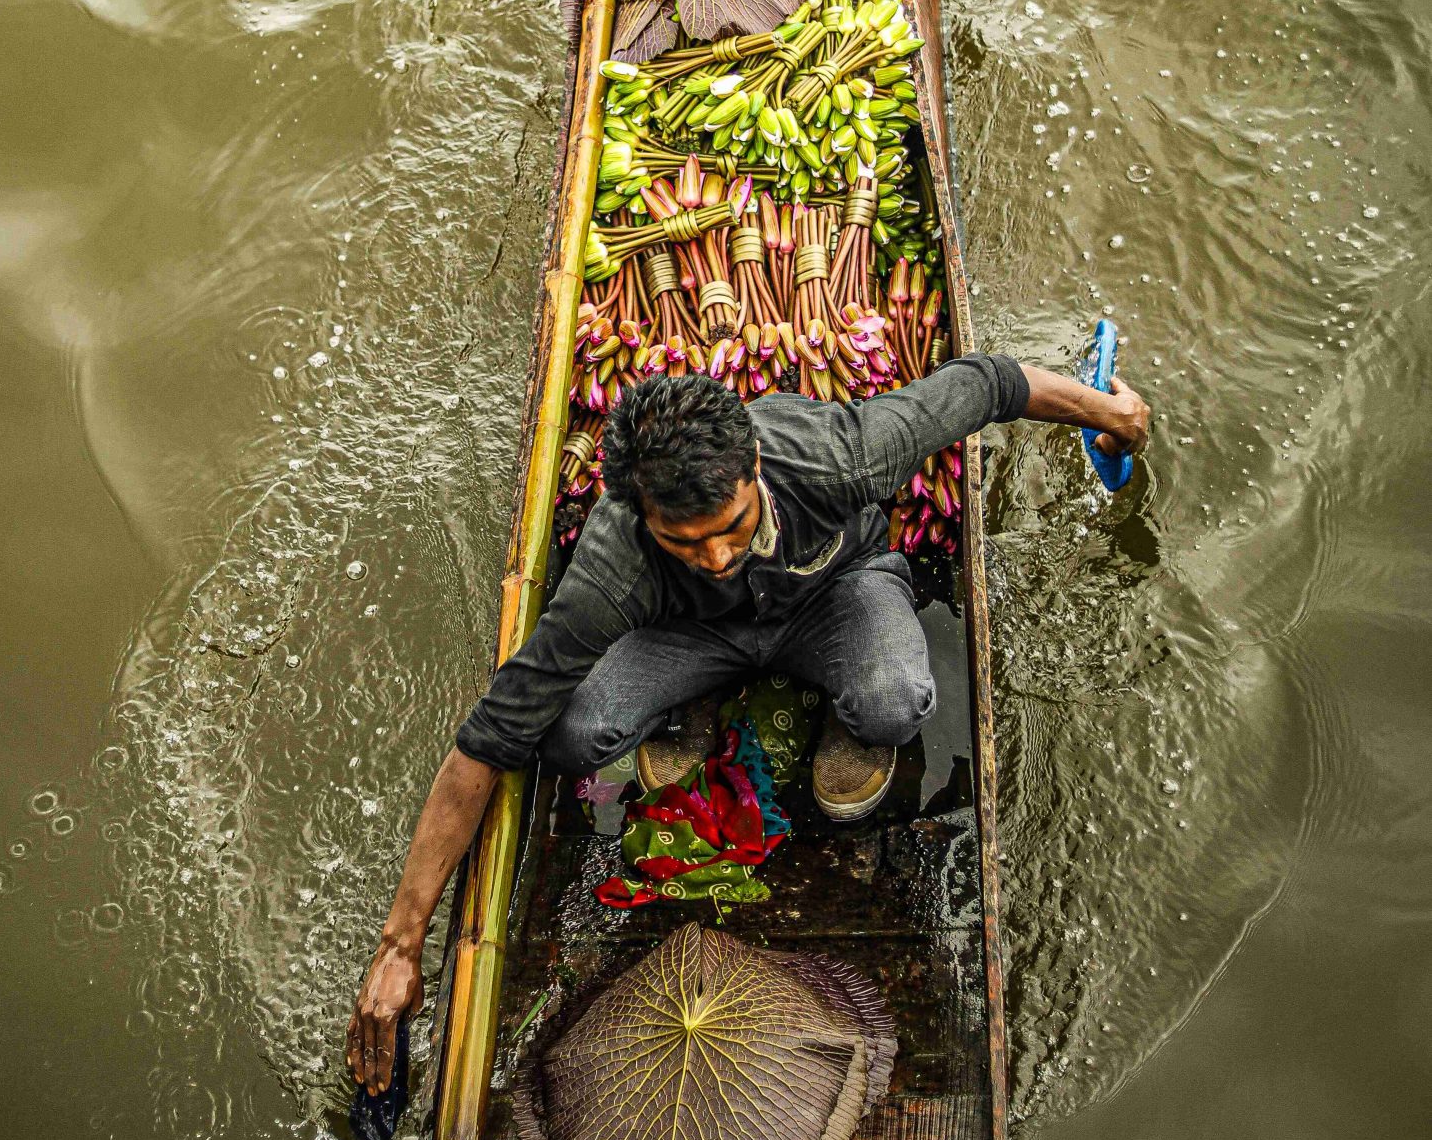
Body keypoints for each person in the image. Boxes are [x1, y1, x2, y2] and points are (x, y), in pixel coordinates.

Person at [346, 349, 1149, 1091]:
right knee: (569, 735)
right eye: (686, 543)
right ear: (643, 519)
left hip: (833, 596)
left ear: (755, 468)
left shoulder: (841, 451)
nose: (720, 556)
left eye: (732, 528)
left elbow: (991, 383)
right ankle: (690, 702)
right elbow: (487, 741)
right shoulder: (613, 566)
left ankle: (841, 710)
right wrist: (399, 945)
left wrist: (1109, 415)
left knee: (893, 701)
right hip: (692, 635)